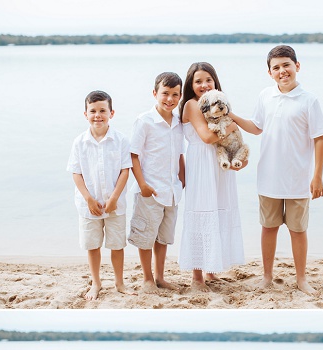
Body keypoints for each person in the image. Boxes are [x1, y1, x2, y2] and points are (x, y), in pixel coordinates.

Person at [230, 45, 323, 294]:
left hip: (298, 178)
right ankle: (266, 276)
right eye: (276, 67)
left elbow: (319, 138)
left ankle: (302, 279)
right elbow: (256, 127)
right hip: (268, 177)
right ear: (269, 72)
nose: (282, 71)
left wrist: (317, 176)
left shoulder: (309, 100)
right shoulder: (265, 96)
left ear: (297, 66)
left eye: (286, 65)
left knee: (298, 230)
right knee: (269, 227)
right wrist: (231, 116)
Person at [178, 62, 244, 290]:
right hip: (201, 163)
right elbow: (207, 137)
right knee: (201, 211)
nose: (204, 85)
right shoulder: (191, 105)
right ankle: (197, 277)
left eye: (208, 80)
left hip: (218, 161)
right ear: (191, 85)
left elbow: (225, 138)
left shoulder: (218, 103)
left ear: (215, 81)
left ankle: (211, 270)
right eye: (198, 81)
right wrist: (234, 126)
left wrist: (238, 156)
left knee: (217, 210)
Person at [66, 90, 132, 301]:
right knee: (92, 245)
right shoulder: (79, 142)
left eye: (102, 111)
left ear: (111, 113)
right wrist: (88, 198)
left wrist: (113, 198)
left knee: (116, 245)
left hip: (115, 203)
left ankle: (119, 283)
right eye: (93, 111)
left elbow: (125, 170)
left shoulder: (120, 140)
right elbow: (76, 173)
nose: (98, 115)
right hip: (89, 204)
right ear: (85, 114)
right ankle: (96, 283)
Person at [128, 72, 186, 293]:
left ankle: (160, 277)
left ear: (180, 96)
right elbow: (133, 155)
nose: (169, 99)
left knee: (163, 237)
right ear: (155, 93)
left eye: (174, 94)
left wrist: (183, 177)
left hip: (171, 190)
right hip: (149, 190)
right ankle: (147, 279)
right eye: (165, 94)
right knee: (146, 237)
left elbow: (180, 153)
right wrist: (142, 184)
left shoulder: (179, 122)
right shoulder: (145, 121)